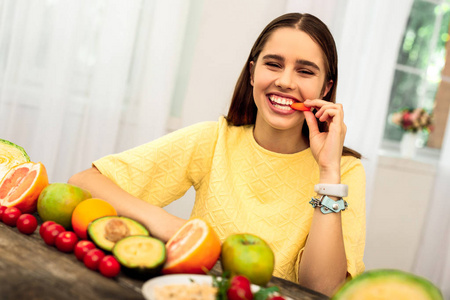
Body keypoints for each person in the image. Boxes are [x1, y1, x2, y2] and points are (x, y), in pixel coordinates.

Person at [69, 12, 365, 296]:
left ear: (326, 88)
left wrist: (328, 171)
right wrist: (166, 223)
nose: (286, 81)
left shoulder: (345, 171)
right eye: (273, 64)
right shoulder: (213, 140)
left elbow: (322, 290)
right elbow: (84, 181)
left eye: (305, 71)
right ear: (252, 73)